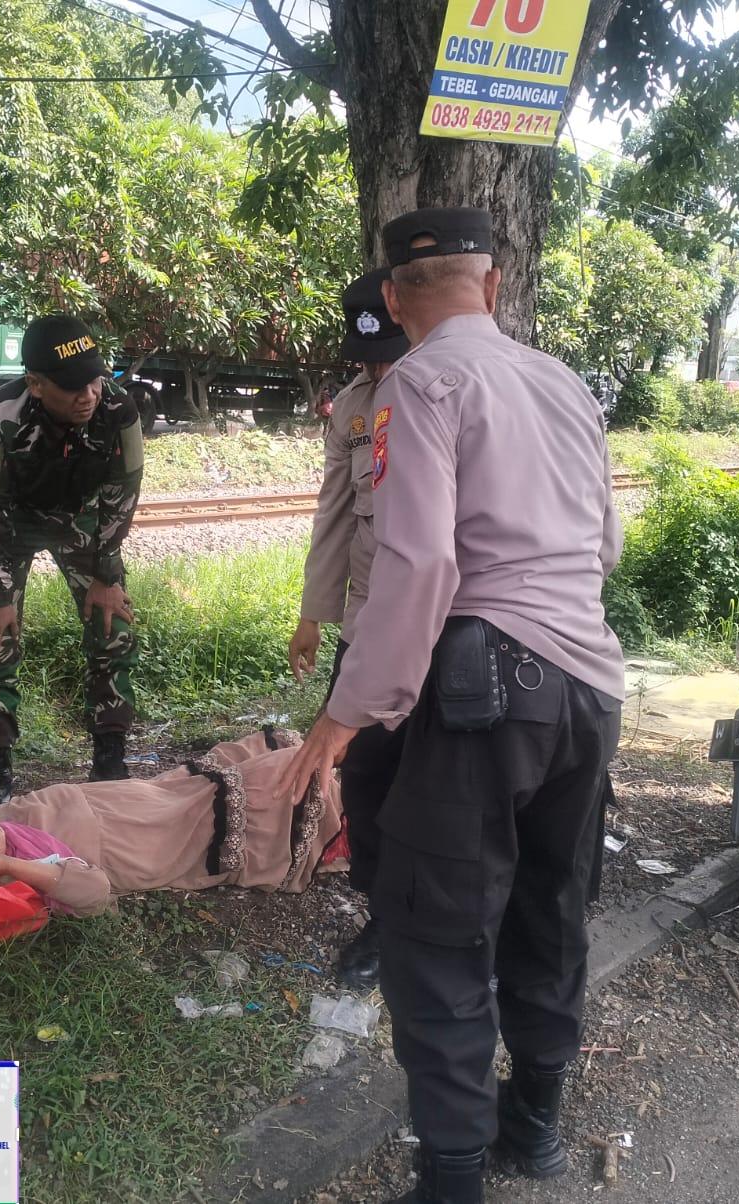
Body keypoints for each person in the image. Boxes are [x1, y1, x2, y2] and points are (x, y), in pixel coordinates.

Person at [285, 207, 625, 1204]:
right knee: (549, 906)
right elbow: (603, 546)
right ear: (492, 282)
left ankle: (452, 1179)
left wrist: (346, 711)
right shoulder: (563, 383)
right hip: (588, 687)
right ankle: (538, 1128)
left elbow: (420, 561)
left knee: (438, 927)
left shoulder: (420, 381)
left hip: (484, 695)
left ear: (395, 297)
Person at [0, 315, 144, 819]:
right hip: (10, 526)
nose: (88, 394)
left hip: (82, 522)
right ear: (36, 384)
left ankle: (110, 764)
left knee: (113, 627)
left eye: (93, 379)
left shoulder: (117, 407)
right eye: (71, 387)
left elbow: (122, 494)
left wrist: (107, 574)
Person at [289, 268, 410, 989]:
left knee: (435, 780)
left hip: (439, 631)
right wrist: (314, 613)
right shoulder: (354, 408)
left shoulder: (444, 393)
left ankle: (431, 918)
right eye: (368, 357)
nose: (378, 368)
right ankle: (384, 915)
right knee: (364, 775)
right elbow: (336, 510)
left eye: (387, 352)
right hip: (366, 629)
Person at [0, 729, 344, 920]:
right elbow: (93, 893)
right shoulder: (29, 877)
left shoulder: (2, 821)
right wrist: (8, 866)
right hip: (157, 838)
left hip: (152, 798)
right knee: (279, 779)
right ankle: (353, 817)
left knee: (251, 764)